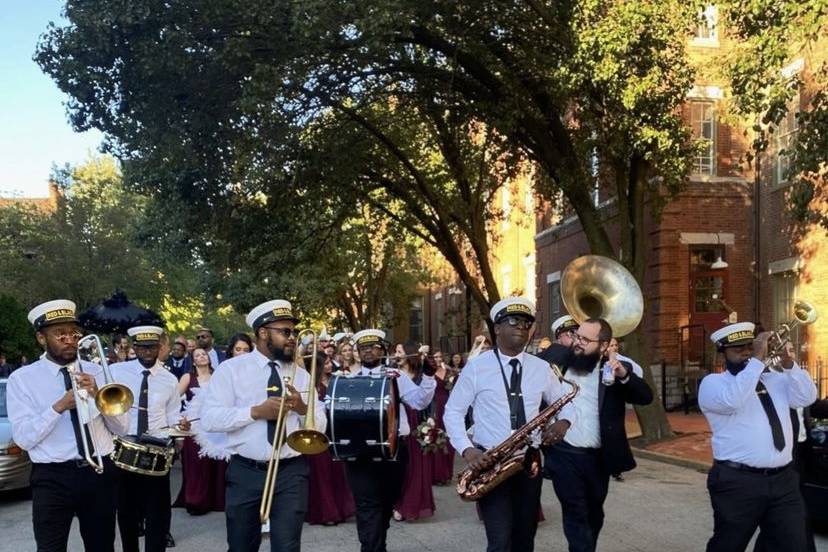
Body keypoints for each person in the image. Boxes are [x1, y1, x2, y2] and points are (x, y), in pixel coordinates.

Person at [444, 297, 577, 552]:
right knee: (499, 540)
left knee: (525, 537)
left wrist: (564, 422)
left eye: (526, 323)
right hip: (490, 460)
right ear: (497, 328)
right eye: (513, 321)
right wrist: (467, 449)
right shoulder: (476, 368)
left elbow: (566, 401)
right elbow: (453, 412)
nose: (521, 327)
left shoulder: (542, 368)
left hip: (529, 462)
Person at [201, 299, 326, 552]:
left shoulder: (301, 373)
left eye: (293, 332)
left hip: (291, 471)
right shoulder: (231, 370)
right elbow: (210, 419)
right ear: (262, 333)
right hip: (246, 471)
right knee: (240, 546)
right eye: (286, 332)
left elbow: (320, 428)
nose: (293, 338)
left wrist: (303, 408)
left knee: (287, 547)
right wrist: (256, 412)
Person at [7, 300, 130, 552]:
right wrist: (58, 407)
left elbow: (122, 428)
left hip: (99, 472)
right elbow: (23, 439)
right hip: (52, 477)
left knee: (102, 546)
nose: (69, 340)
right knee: (50, 547)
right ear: (41, 338)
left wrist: (98, 394)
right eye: (59, 334)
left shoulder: (97, 371)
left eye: (74, 333)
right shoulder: (23, 379)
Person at [699, 322, 817, 552]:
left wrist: (789, 364)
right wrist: (756, 360)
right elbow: (734, 400)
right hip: (737, 481)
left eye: (749, 347)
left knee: (794, 544)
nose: (746, 353)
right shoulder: (713, 384)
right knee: (729, 544)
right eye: (738, 349)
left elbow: (807, 397)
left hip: (784, 480)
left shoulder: (774, 379)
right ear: (722, 353)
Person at [542, 318, 653, 552]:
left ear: (603, 345)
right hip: (564, 455)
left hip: (598, 459)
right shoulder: (556, 359)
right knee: (576, 513)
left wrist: (623, 374)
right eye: (576, 336)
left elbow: (645, 397)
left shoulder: (616, 367)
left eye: (585, 339)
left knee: (594, 515)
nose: (577, 343)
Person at [345, 328, 436, 552]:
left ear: (383, 350)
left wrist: (429, 375)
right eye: (364, 348)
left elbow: (419, 402)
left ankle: (378, 543)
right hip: (360, 453)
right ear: (357, 352)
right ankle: (371, 547)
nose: (368, 351)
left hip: (394, 451)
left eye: (374, 347)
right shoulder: (347, 381)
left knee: (386, 503)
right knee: (367, 505)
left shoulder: (396, 376)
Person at [110, 325, 188, 552]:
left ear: (160, 347)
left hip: (157, 451)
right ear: (134, 347)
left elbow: (173, 412)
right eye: (142, 347)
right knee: (126, 513)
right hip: (125, 448)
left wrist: (180, 426)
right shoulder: (117, 372)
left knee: (158, 514)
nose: (147, 352)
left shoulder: (169, 379)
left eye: (152, 347)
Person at [174, 348, 227, 515]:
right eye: (197, 355)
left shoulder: (218, 376)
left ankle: (217, 499)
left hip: (215, 426)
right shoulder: (188, 378)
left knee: (217, 463)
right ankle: (196, 500)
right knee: (197, 465)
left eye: (204, 354)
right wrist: (179, 420)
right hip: (194, 428)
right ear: (193, 361)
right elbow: (173, 400)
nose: (201, 357)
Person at [305, 352, 355, 525]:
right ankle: (326, 512)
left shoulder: (334, 380)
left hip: (334, 431)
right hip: (319, 433)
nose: (330, 365)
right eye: (325, 362)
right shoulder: (312, 385)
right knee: (321, 474)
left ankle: (340, 508)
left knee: (336, 472)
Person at [393, 345, 436, 521]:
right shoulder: (391, 374)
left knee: (413, 467)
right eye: (395, 352)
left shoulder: (410, 375)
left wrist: (431, 419)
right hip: (394, 427)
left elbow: (423, 400)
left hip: (415, 423)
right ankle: (396, 504)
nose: (396, 355)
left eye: (400, 351)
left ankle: (408, 505)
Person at [430, 350, 455, 485]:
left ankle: (447, 474)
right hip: (434, 405)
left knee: (448, 440)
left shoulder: (449, 371)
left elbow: (454, 386)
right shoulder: (429, 372)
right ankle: (436, 475)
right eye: (436, 357)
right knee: (436, 439)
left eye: (440, 356)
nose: (438, 359)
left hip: (447, 404)